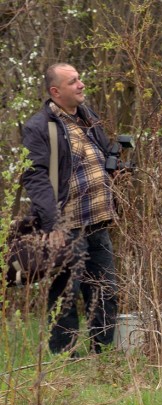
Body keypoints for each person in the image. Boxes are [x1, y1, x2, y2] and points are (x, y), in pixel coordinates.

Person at [21, 63, 118, 355]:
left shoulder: (89, 117)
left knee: (105, 290)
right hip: (67, 225)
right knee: (66, 294)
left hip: (98, 221)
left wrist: (117, 171)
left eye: (80, 78)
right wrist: (53, 226)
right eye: (73, 81)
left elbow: (98, 157)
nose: (81, 84)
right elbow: (35, 177)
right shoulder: (39, 127)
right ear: (55, 91)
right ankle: (66, 358)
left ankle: (105, 353)